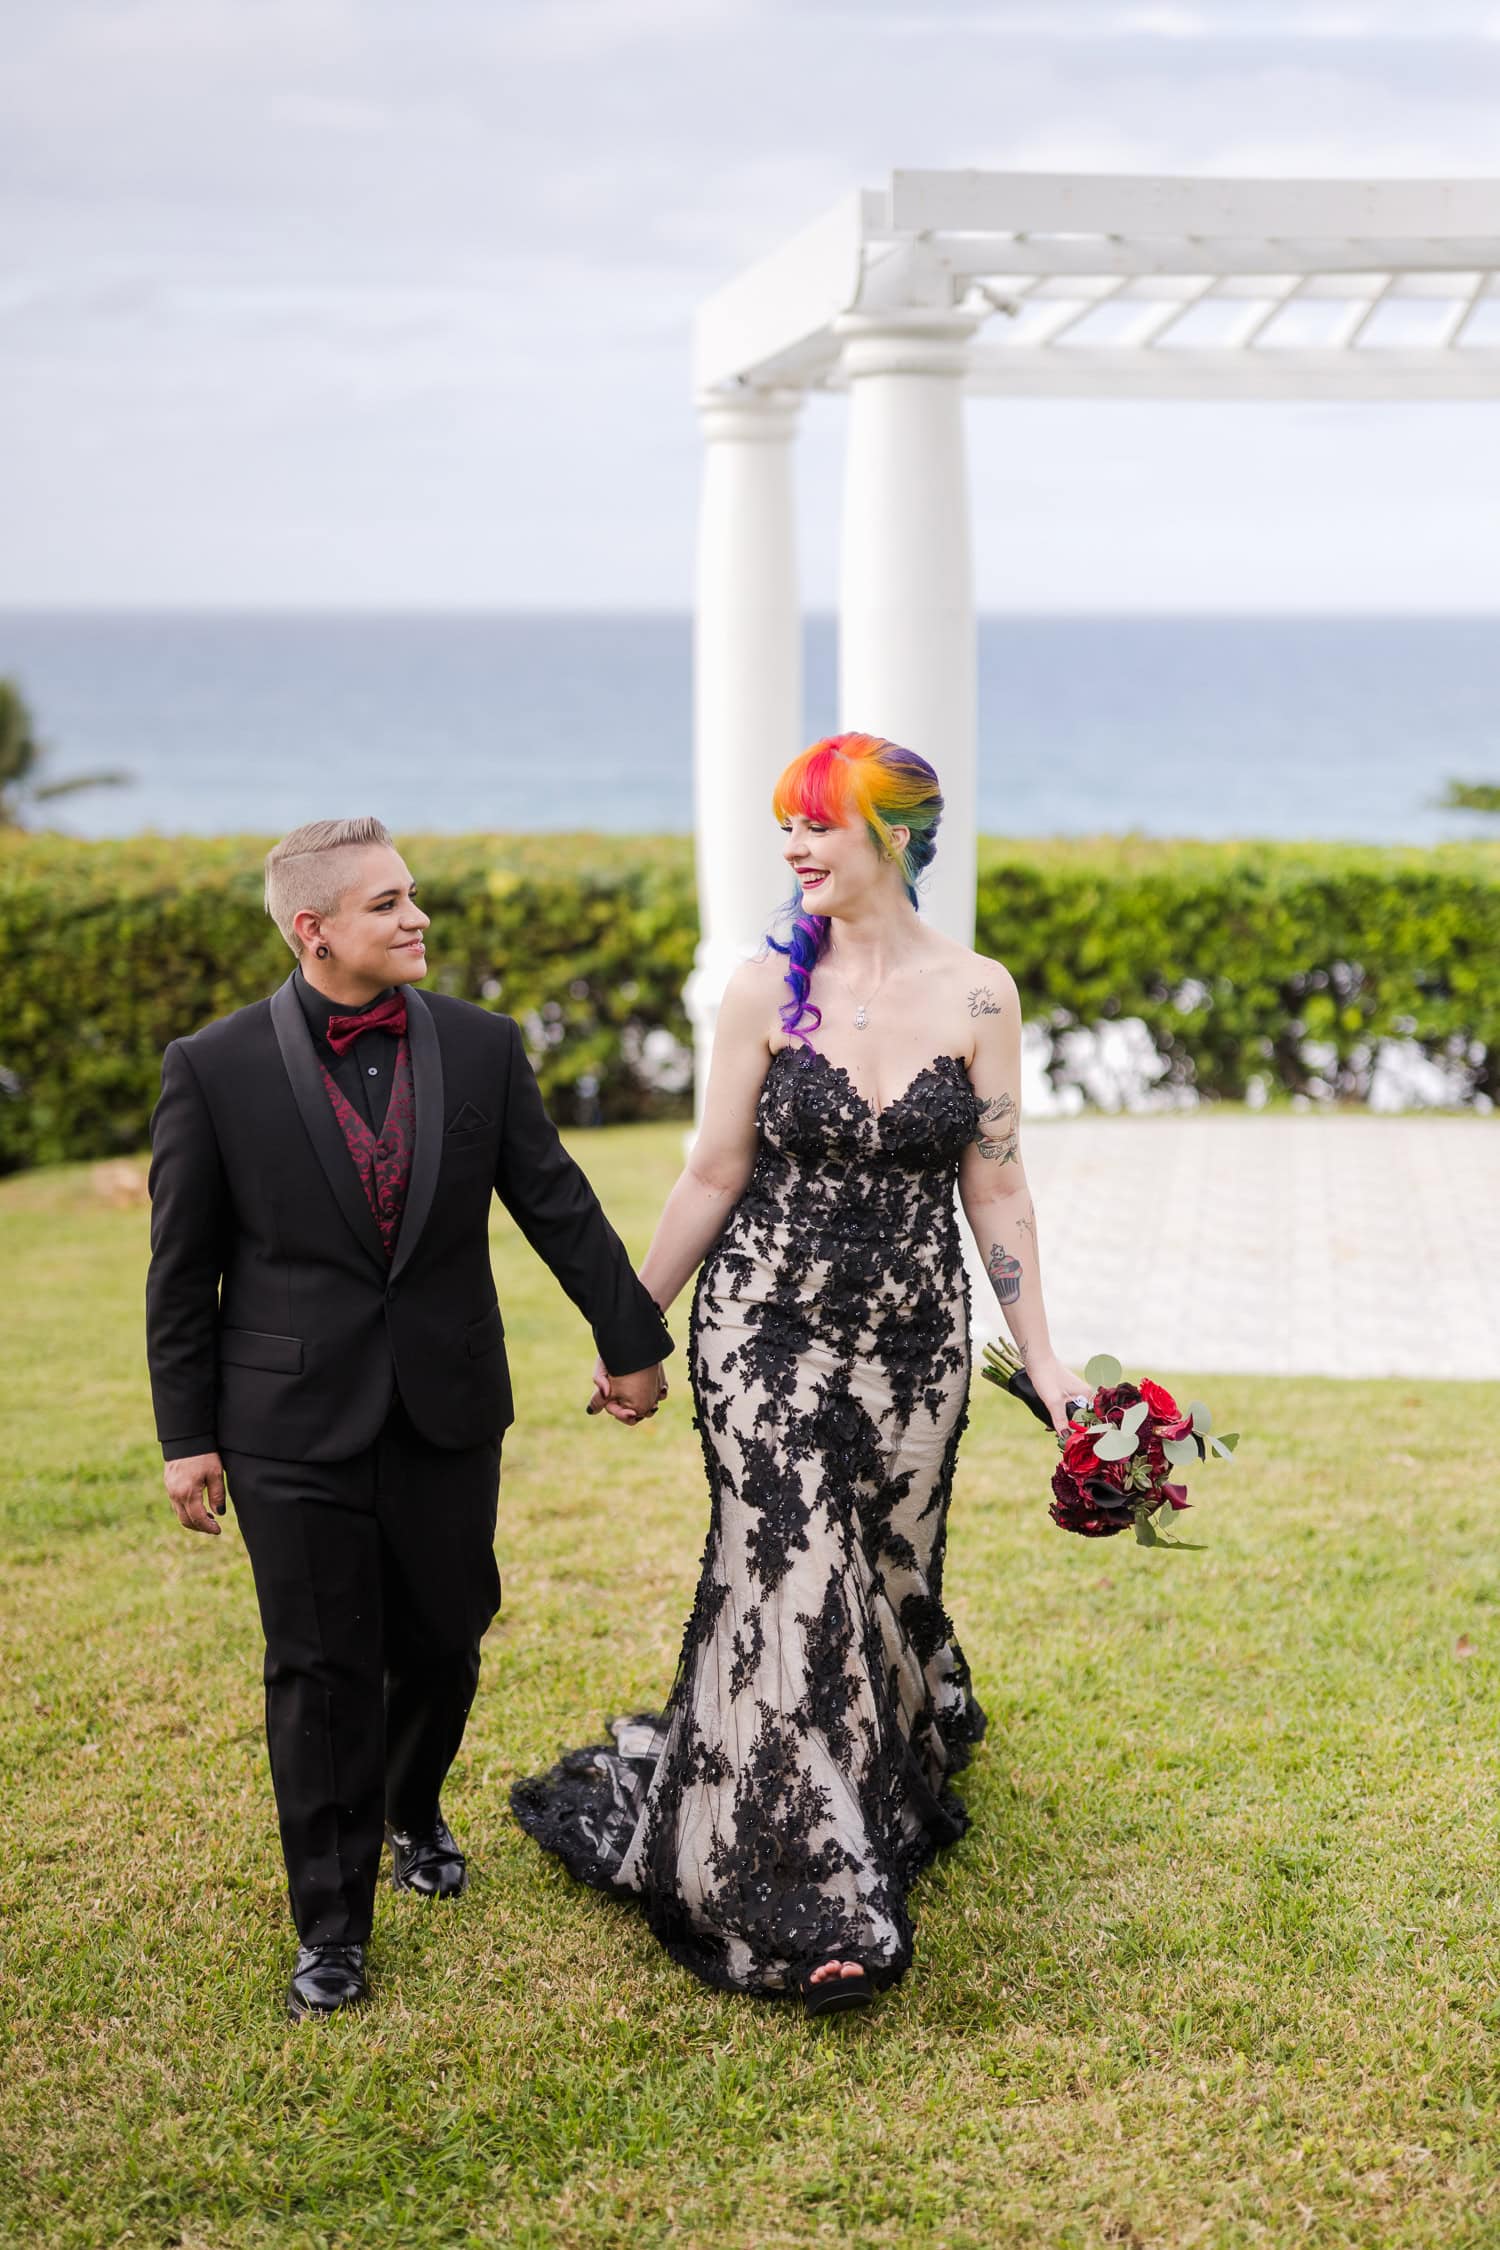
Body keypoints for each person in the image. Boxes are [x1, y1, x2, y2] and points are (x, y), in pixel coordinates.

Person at [513, 734, 1083, 2012]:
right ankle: (807, 1891)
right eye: (787, 827)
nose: (793, 849)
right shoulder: (763, 991)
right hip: (762, 1336)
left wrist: (1044, 1361)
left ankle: (879, 1775)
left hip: (915, 1339)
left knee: (882, 1574)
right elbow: (711, 1172)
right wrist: (634, 1324)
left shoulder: (981, 996)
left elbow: (997, 1187)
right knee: (791, 1577)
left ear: (890, 838)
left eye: (815, 826)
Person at [145, 816, 670, 2020]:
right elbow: (182, 1274)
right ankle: (330, 1931)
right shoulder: (212, 1069)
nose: (417, 916)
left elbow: (557, 1204)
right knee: (320, 1667)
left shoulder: (482, 1049)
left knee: (446, 1632)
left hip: (448, 1402)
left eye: (413, 895)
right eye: (387, 904)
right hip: (285, 1419)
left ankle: (409, 1800)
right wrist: (188, 1436)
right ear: (313, 929)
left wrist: (630, 1343)